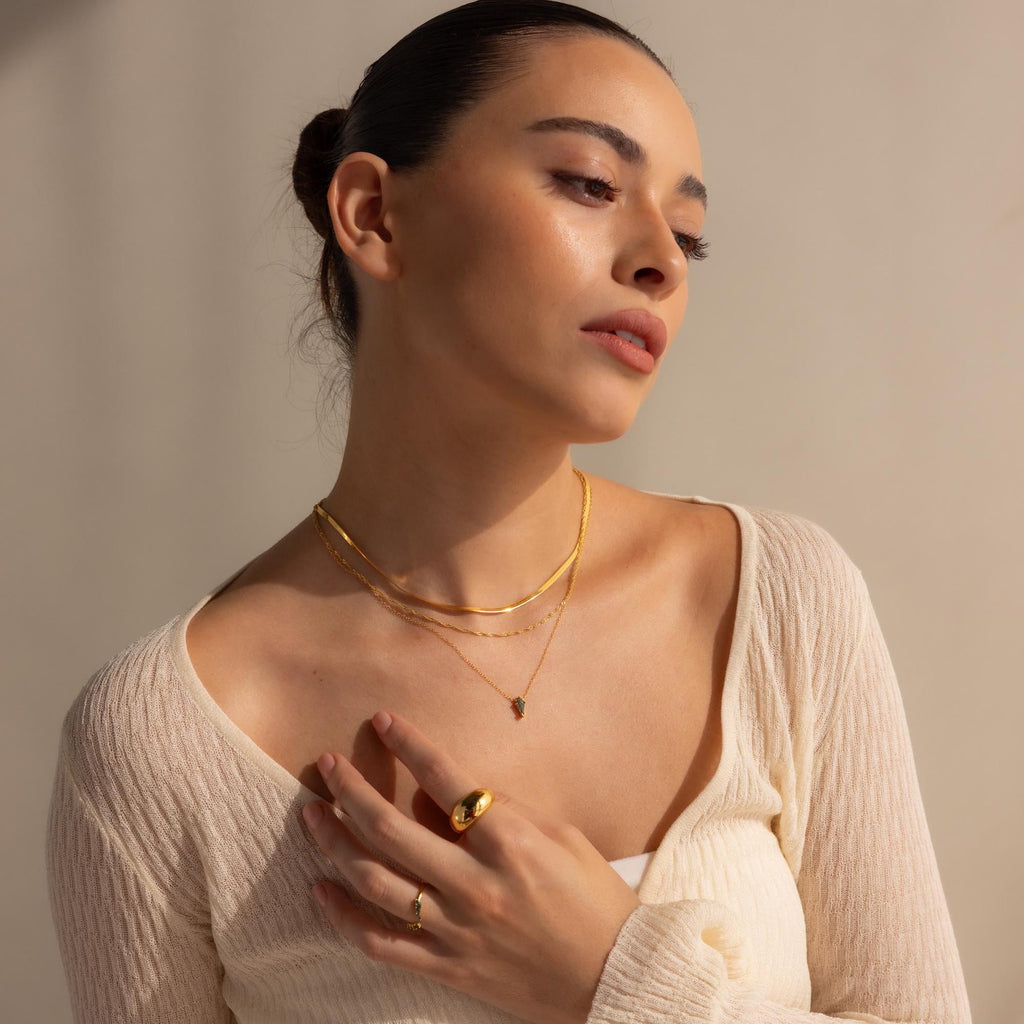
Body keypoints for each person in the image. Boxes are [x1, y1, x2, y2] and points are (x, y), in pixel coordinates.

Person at [45, 2, 972, 1021]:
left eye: (689, 233)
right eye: (589, 183)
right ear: (375, 216)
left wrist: (620, 981)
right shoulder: (167, 735)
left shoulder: (778, 600)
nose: (660, 259)